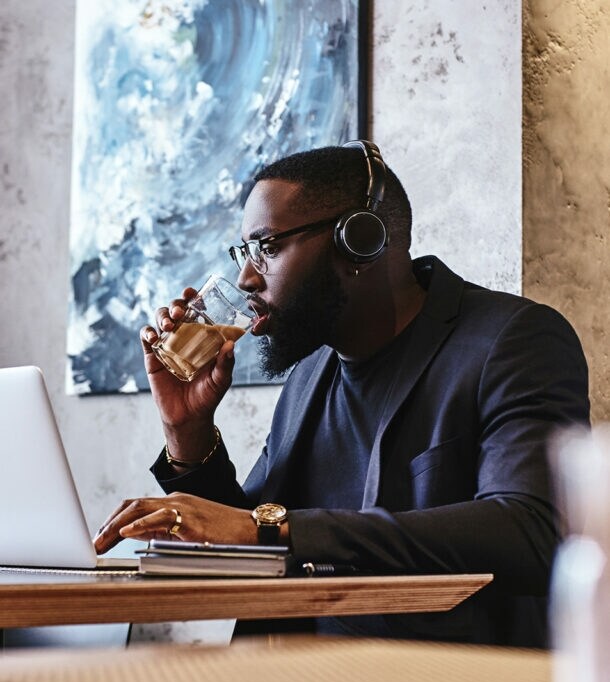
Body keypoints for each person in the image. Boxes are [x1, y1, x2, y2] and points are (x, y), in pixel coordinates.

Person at [94, 141, 590, 647]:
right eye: (245, 252)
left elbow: (532, 531)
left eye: (267, 247)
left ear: (360, 240)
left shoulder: (512, 340)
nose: (246, 278)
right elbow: (246, 541)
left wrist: (274, 530)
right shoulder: (310, 373)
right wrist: (188, 430)